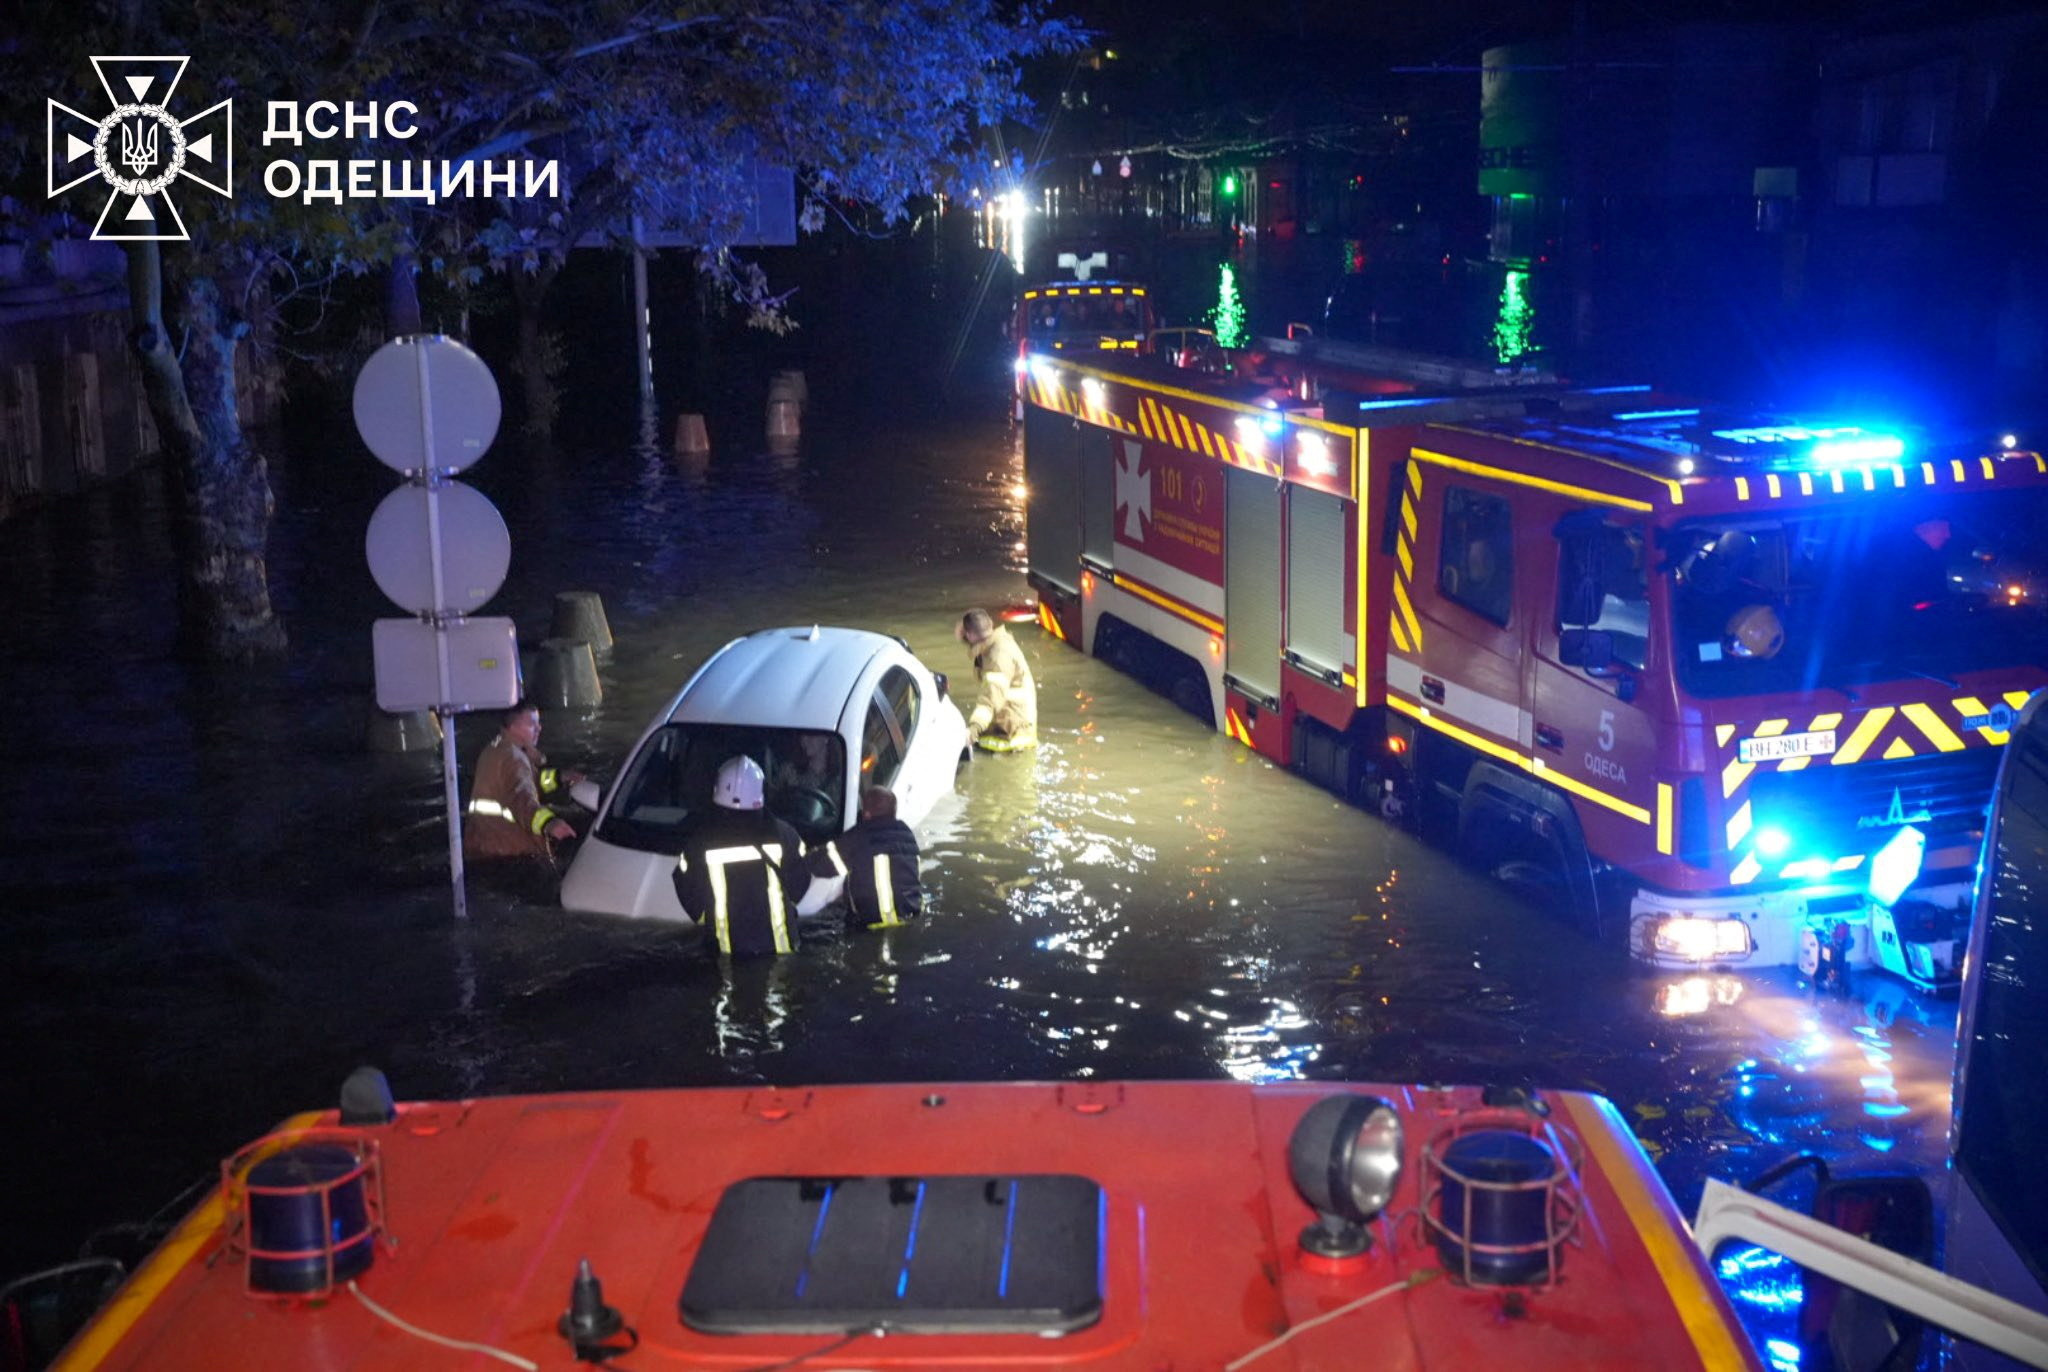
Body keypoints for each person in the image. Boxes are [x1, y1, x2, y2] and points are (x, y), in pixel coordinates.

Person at [672, 755, 812, 957]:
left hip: (726, 954)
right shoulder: (784, 833)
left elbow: (689, 895)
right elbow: (800, 882)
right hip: (782, 949)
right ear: (760, 792)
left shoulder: (699, 842)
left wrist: (711, 917)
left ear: (717, 790)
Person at [465, 701, 584, 879]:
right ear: (513, 727)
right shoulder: (514, 758)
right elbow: (522, 801)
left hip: (483, 843)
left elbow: (528, 783)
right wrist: (549, 824)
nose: (539, 729)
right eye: (531, 724)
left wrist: (560, 777)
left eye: (539, 723)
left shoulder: (497, 747)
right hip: (508, 851)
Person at [807, 786, 922, 930]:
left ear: (866, 814)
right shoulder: (907, 833)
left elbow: (821, 867)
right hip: (911, 915)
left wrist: (805, 853)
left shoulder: (859, 836)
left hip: (873, 924)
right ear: (894, 811)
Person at [957, 607, 1038, 751]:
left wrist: (973, 731)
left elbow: (990, 699)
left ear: (969, 635)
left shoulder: (997, 659)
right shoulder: (996, 643)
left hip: (1013, 733)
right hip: (1012, 721)